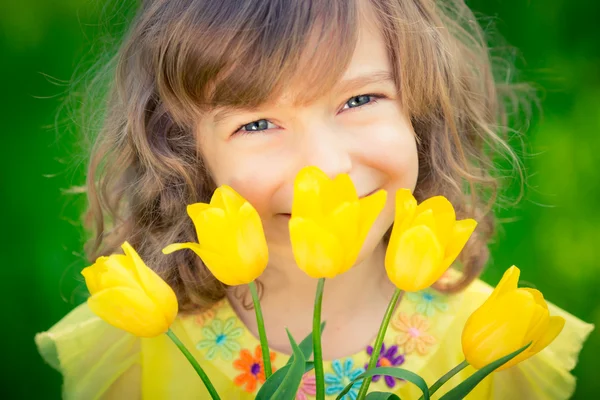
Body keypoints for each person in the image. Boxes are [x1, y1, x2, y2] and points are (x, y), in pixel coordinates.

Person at [35, 0, 593, 399]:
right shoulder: (133, 347)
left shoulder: (502, 343)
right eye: (256, 124)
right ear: (184, 156)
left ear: (422, 113)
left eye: (360, 99)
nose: (325, 167)